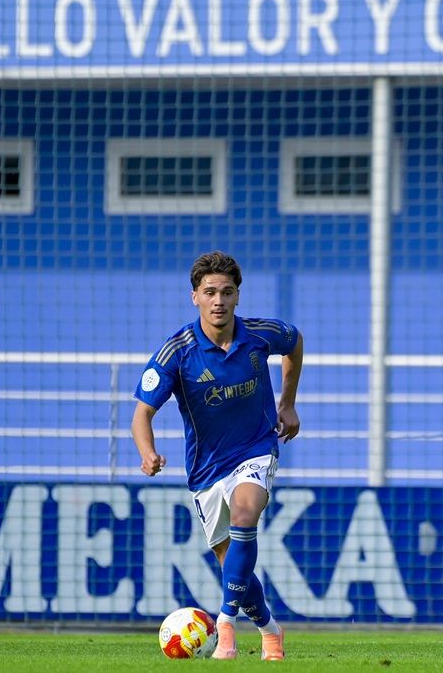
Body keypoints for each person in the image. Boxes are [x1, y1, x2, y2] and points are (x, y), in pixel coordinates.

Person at [131, 250, 303, 662]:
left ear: (237, 296)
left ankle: (224, 625)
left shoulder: (260, 335)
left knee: (246, 513)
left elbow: (294, 343)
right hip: (207, 469)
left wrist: (288, 404)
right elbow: (141, 414)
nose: (218, 300)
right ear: (195, 297)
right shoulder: (177, 352)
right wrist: (147, 451)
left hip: (256, 449)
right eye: (210, 292)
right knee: (233, 567)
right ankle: (269, 630)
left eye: (226, 292)